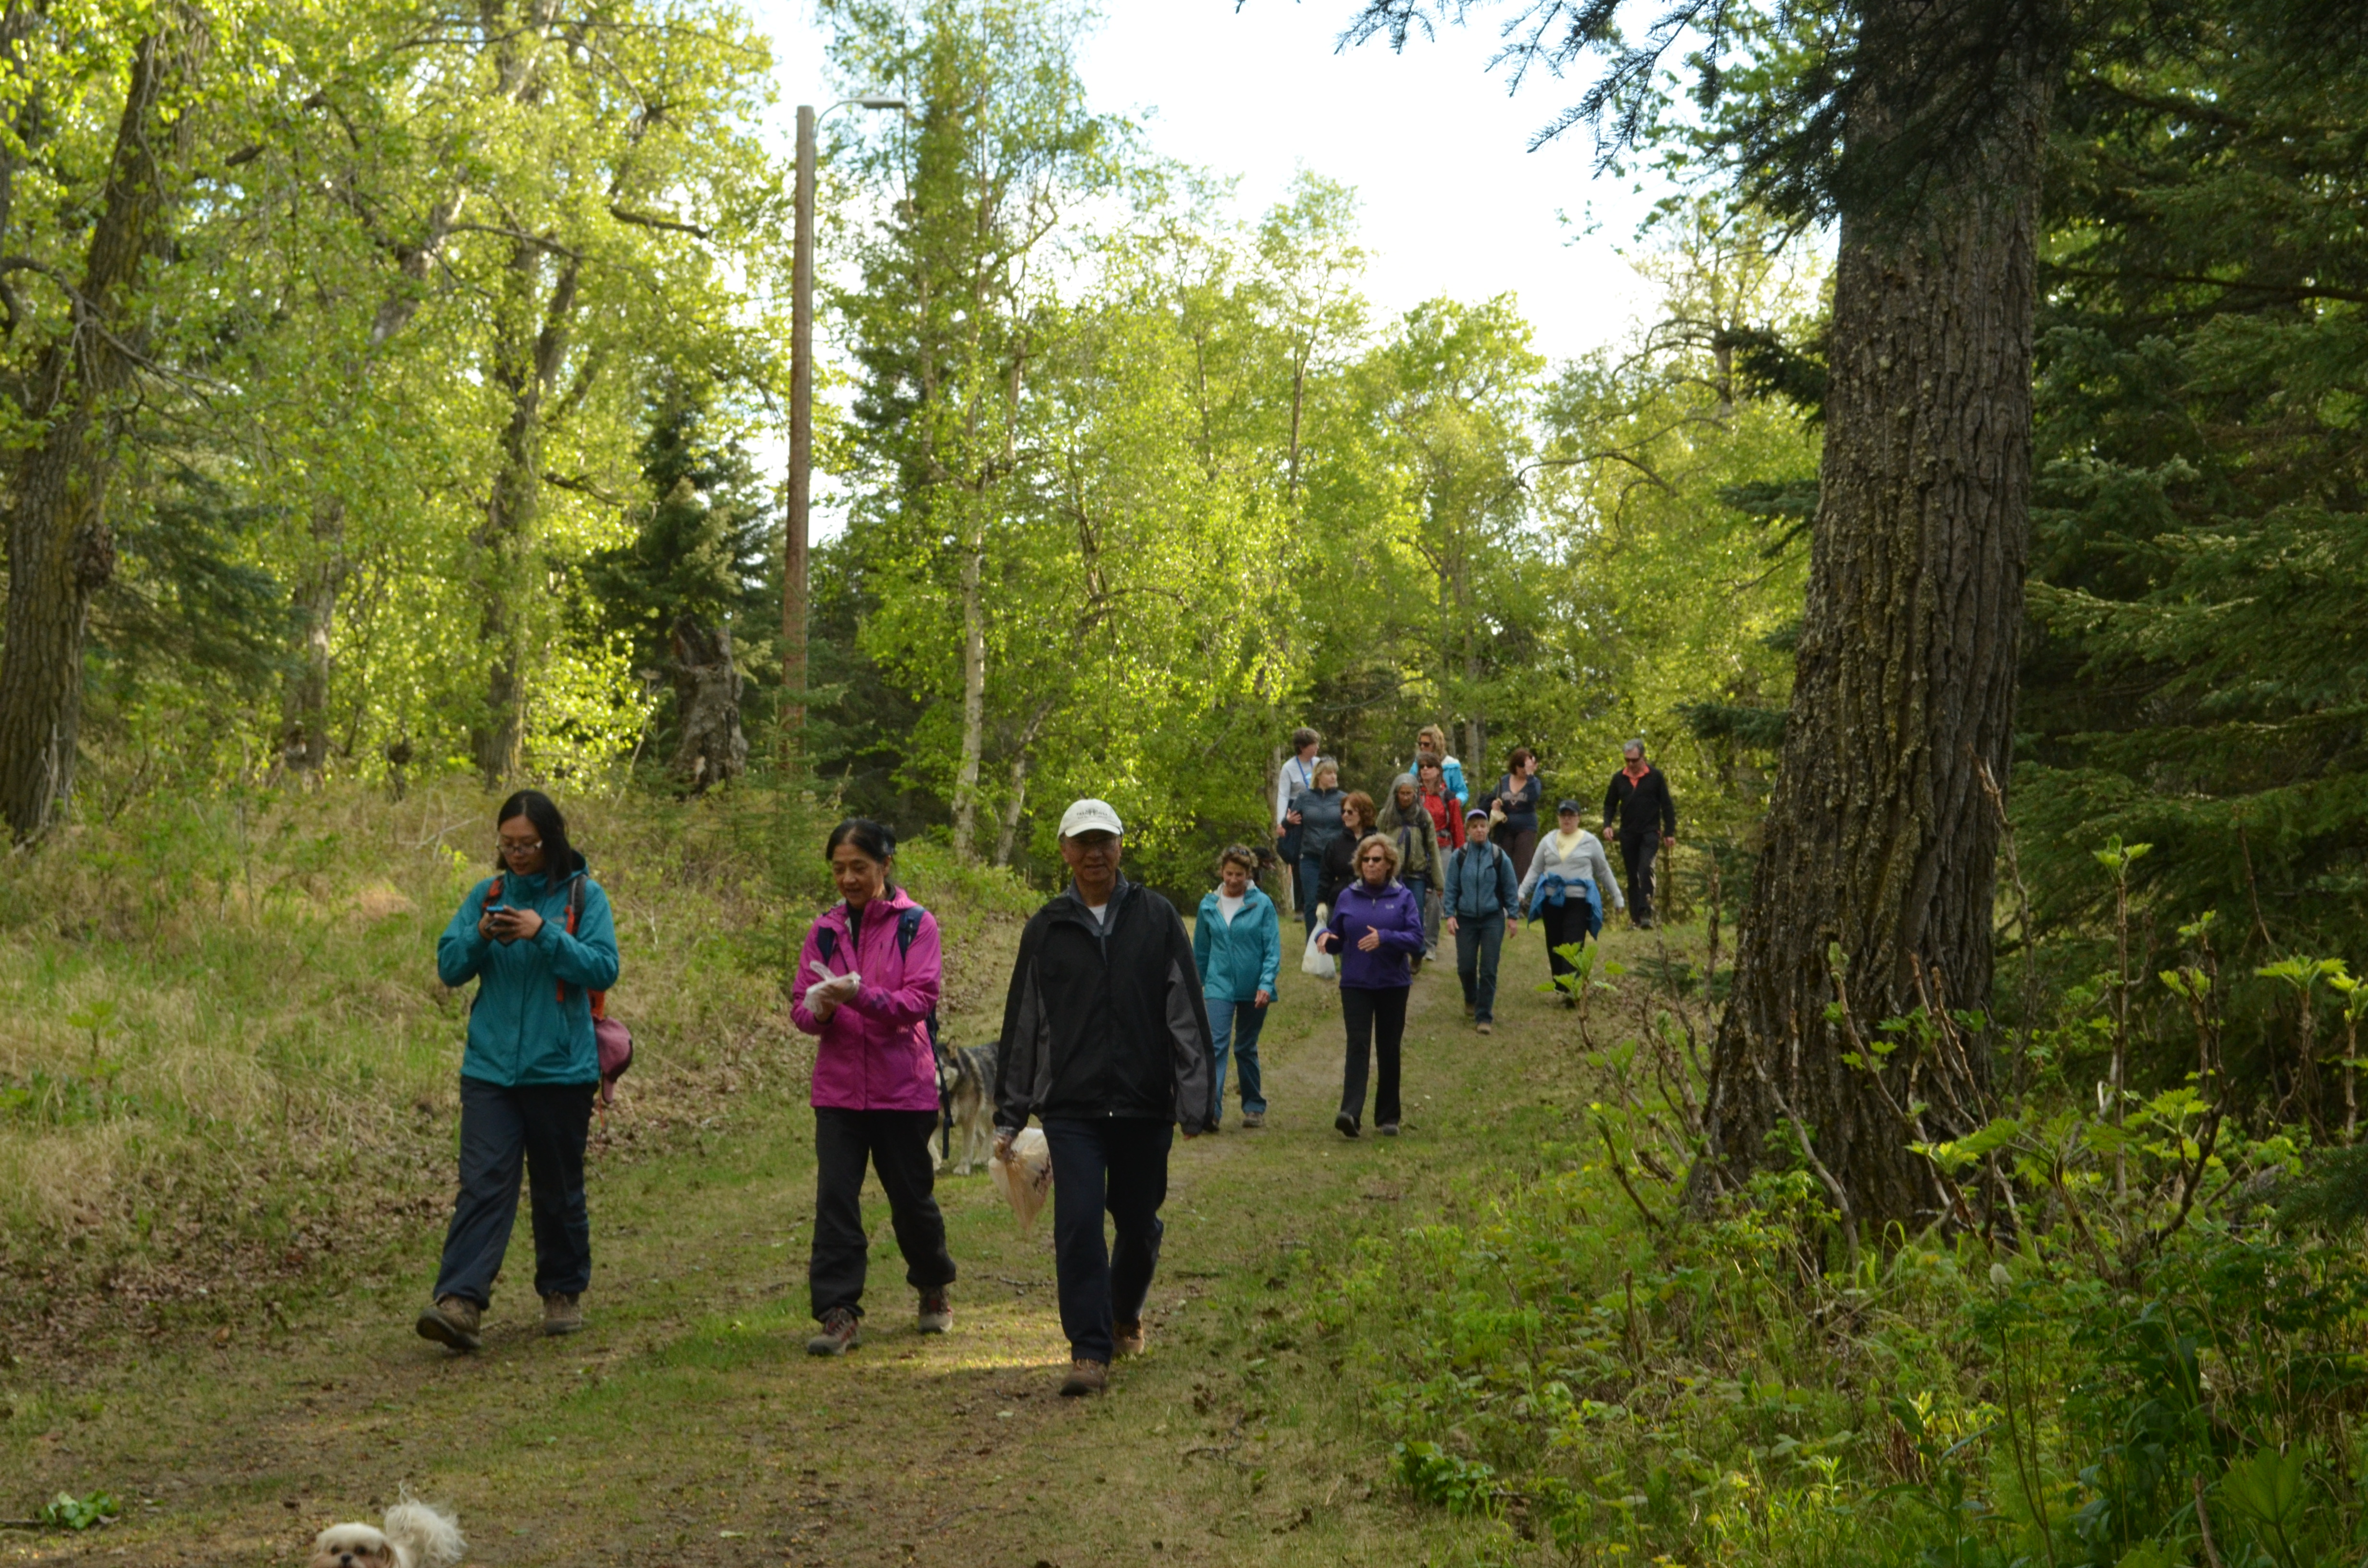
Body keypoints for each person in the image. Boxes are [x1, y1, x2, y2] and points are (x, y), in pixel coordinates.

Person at [993, 799, 1212, 1398]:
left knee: (1138, 1224)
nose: (1094, 854)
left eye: (1104, 842)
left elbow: (1185, 1011)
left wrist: (1195, 1100)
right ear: (1064, 851)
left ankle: (1124, 1313)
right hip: (1072, 1106)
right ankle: (1088, 1351)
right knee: (1078, 1224)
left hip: (1144, 1103)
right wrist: (1010, 1114)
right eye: (1082, 843)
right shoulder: (1045, 928)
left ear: (1120, 846)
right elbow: (1023, 1024)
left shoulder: (1156, 917)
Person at [420, 790, 620, 1351]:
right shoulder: (485, 896)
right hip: (489, 1071)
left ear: (550, 840)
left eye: (527, 844)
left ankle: (562, 1291)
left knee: (557, 1188)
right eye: (508, 844)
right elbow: (449, 967)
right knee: (483, 1184)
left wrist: (544, 933)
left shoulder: (585, 896)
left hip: (560, 1070)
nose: (517, 854)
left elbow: (604, 968)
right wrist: (481, 935)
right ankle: (460, 1302)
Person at [789, 819, 957, 1356]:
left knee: (911, 1201)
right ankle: (837, 1313)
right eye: (838, 869)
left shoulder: (916, 925)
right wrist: (819, 1009)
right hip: (839, 1092)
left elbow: (918, 1001)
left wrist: (856, 995)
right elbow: (800, 1009)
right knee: (835, 1202)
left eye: (859, 867)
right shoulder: (824, 930)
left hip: (902, 1089)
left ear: (885, 865)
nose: (848, 879)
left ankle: (933, 1284)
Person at [1318, 834, 1426, 1138]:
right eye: (1365, 860)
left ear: (1389, 864)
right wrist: (1325, 939)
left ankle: (1388, 1116)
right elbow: (1337, 937)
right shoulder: (1347, 897)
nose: (1370, 865)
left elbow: (1417, 940)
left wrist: (1385, 938)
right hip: (1356, 983)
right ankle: (1350, 1113)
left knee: (1389, 1048)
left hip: (1393, 983)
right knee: (1358, 1045)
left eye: (1376, 860)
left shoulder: (1404, 897)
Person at [1193, 845, 1281, 1130]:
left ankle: (1254, 1106)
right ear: (1222, 872)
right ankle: (1211, 1111)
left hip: (1254, 987)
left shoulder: (1262, 904)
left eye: (1239, 875)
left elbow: (1272, 949)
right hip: (1218, 985)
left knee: (1245, 1046)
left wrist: (1266, 984)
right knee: (1215, 1045)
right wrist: (1196, 985)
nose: (1233, 880)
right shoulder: (1208, 905)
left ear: (1249, 874)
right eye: (1229, 874)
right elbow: (1201, 952)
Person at [1519, 801, 1624, 1005]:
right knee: (1555, 944)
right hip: (1552, 900)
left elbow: (1603, 871)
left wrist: (1617, 896)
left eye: (1571, 815)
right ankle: (1562, 986)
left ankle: (1573, 991)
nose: (1567, 819)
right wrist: (1521, 892)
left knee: (1573, 943)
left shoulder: (1590, 842)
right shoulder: (1548, 840)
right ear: (1559, 818)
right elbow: (1535, 869)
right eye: (1563, 815)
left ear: (1578, 818)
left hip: (1578, 901)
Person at [1443, 808, 1520, 1034]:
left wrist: (1513, 916)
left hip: (1492, 919)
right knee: (1466, 967)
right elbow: (1451, 887)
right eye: (1475, 826)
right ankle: (1471, 997)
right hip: (1466, 919)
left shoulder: (1498, 856)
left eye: (1483, 826)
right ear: (1468, 830)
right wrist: (1450, 915)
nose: (1479, 830)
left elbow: (1510, 887)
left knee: (1488, 968)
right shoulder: (1459, 856)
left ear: (1488, 828)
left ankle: (1484, 1016)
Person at [1603, 740, 1677, 930]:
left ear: (1643, 757)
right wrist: (1607, 825)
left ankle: (1646, 913)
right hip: (1628, 833)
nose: (1630, 764)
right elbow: (1610, 804)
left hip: (1650, 832)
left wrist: (1669, 832)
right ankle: (1635, 919)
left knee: (1646, 868)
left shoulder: (1655, 777)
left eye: (1634, 760)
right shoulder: (1618, 779)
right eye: (1627, 760)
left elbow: (1667, 805)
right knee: (1632, 876)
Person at [1378, 773, 1443, 960]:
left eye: (1409, 793)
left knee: (1416, 916)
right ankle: (1392, 952)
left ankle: (1417, 952)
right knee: (1390, 914)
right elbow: (1377, 843)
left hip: (1416, 875)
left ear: (1416, 794)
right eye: (1402, 793)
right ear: (1396, 794)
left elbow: (1433, 848)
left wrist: (1439, 883)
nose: (1406, 797)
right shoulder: (1386, 816)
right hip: (1391, 875)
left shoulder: (1423, 817)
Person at [1287, 759, 1347, 936]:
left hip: (1335, 858)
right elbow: (1291, 825)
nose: (1333, 777)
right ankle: (1313, 943)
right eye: (1329, 773)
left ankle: (1335, 940)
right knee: (1312, 903)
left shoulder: (1343, 799)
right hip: (1310, 858)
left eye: (1335, 773)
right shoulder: (1304, 798)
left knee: (1336, 900)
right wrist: (1286, 823)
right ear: (1319, 776)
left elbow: (1353, 824)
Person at [1273, 727, 1322, 911]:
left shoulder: (1319, 764)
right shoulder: (1289, 767)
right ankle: (1301, 906)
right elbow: (1283, 795)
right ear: (1302, 747)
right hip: (1297, 815)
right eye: (1313, 745)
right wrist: (1282, 822)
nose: (1317, 748)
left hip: (1317, 811)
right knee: (1299, 859)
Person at [1314, 791, 1379, 918]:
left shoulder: (1378, 842)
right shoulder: (1335, 844)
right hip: (1341, 903)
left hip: (1371, 902)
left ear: (1364, 813)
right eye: (1343, 812)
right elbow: (1325, 877)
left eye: (1350, 812)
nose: (1345, 815)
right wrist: (1321, 903)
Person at [1490, 747, 1545, 880]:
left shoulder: (1533, 782)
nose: (1524, 770)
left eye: (1527, 766)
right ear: (1515, 766)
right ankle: (1504, 889)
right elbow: (1493, 798)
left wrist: (1530, 776)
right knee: (1503, 861)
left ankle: (1520, 890)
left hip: (1526, 828)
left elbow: (1534, 797)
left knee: (1523, 863)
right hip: (1505, 827)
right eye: (1521, 766)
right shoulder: (1503, 781)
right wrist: (1495, 806)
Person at [1415, 723, 1469, 807]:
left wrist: (1456, 802)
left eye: (1426, 744)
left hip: (1445, 808)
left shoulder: (1451, 765)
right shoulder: (1417, 765)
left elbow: (1463, 792)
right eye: (1420, 744)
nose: (1422, 747)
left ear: (1436, 745)